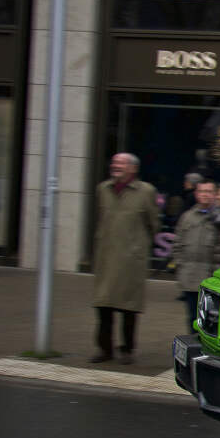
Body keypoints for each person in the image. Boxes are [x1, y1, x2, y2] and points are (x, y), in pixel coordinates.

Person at [91, 152, 158, 364]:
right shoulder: (103, 189)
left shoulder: (145, 191)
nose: (116, 166)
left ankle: (127, 349)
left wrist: (139, 246)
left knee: (129, 308)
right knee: (104, 306)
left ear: (133, 168)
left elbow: (153, 223)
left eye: (121, 163)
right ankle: (104, 349)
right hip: (106, 257)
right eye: (114, 162)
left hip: (131, 260)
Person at [172, 178, 218, 329]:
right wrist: (180, 264)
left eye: (209, 191)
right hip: (189, 277)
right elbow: (177, 243)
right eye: (202, 191)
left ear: (215, 194)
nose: (205, 195)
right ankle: (194, 349)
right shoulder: (187, 217)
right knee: (192, 317)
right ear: (197, 194)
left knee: (210, 319)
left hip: (211, 278)